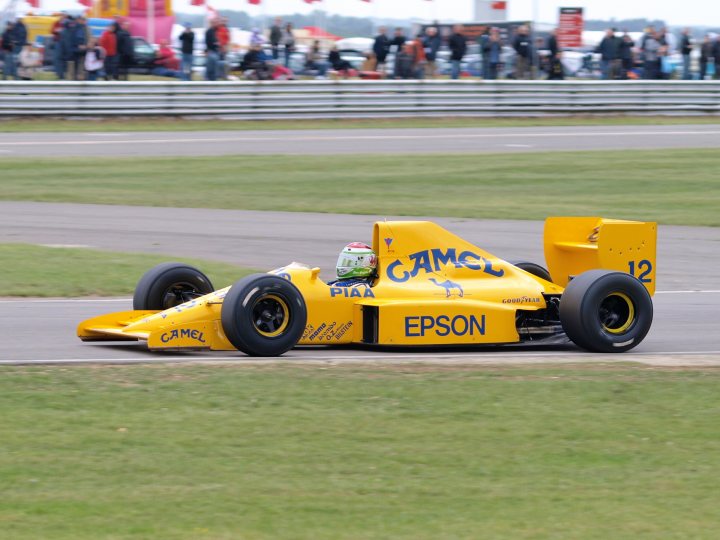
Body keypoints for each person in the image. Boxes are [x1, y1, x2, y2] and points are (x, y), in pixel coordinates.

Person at [50, 13, 68, 79]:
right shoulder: (56, 23)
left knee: (62, 59)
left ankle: (63, 73)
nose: (62, 17)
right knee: (57, 58)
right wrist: (58, 30)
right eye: (62, 16)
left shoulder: (67, 23)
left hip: (65, 43)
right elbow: (52, 30)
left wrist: (59, 30)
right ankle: (58, 73)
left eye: (64, 16)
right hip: (58, 42)